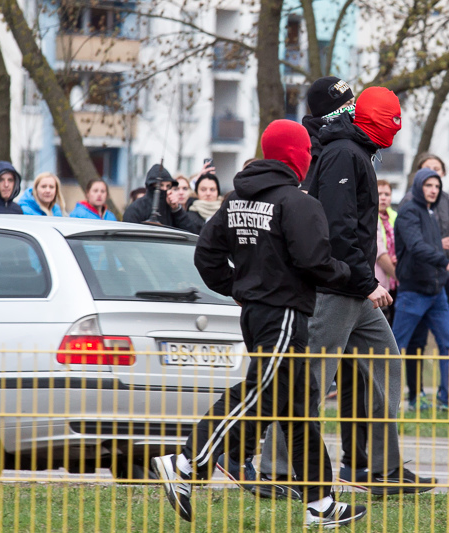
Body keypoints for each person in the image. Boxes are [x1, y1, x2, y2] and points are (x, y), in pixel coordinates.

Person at [151, 119, 365, 527]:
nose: (309, 157)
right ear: (295, 155)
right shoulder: (298, 203)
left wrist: (238, 287)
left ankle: (320, 503)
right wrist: (346, 273)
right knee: (261, 394)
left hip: (256, 313)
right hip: (284, 314)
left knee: (299, 408)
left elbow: (206, 255)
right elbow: (315, 262)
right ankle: (186, 461)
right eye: (306, 151)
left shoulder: (236, 200)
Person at [259, 86, 436, 495]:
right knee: (313, 379)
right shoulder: (344, 153)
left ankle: (379, 470)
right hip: (335, 287)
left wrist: (362, 283)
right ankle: (276, 470)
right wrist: (367, 281)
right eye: (392, 118)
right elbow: (337, 230)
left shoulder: (357, 153)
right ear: (378, 122)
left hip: (352, 287)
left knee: (386, 364)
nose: (396, 126)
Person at [392, 167, 449, 411]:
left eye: (437, 186)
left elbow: (432, 246)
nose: (433, 190)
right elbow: (416, 247)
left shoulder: (432, 212)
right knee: (394, 347)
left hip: (437, 292)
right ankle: (381, 398)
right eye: (428, 185)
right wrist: (447, 263)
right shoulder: (408, 212)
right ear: (418, 186)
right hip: (413, 291)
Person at [299, 76, 355, 192]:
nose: (353, 109)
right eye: (348, 104)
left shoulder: (349, 138)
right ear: (329, 109)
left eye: (354, 103)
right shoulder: (312, 147)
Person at [122, 164, 204, 234]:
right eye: (160, 186)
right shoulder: (136, 209)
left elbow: (190, 232)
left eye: (168, 186)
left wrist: (177, 210)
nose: (164, 189)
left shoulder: (172, 209)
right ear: (151, 186)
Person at [376, 179, 398, 325]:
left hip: (394, 282)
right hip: (381, 277)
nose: (384, 197)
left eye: (387, 194)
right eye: (379, 194)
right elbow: (379, 253)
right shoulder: (371, 217)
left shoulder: (395, 217)